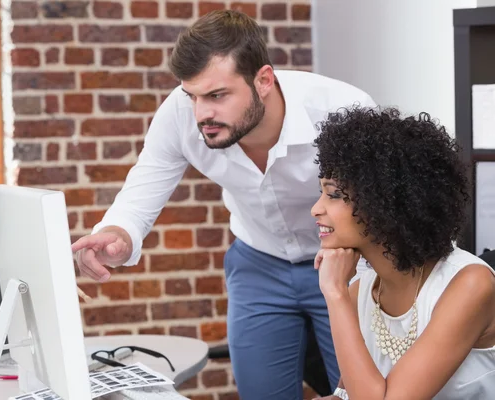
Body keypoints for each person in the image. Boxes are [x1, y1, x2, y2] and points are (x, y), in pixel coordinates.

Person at [71, 10, 375, 399]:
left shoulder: (341, 110)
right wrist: (117, 235)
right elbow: (141, 193)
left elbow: (382, 213)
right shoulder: (181, 115)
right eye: (192, 95)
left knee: (355, 394)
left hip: (345, 263)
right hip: (258, 264)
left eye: (217, 95)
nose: (202, 114)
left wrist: (365, 277)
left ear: (263, 80)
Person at [311, 106, 495, 400]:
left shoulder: (469, 285)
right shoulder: (362, 293)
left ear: (383, 201)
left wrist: (334, 292)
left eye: (333, 194)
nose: (316, 209)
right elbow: (347, 394)